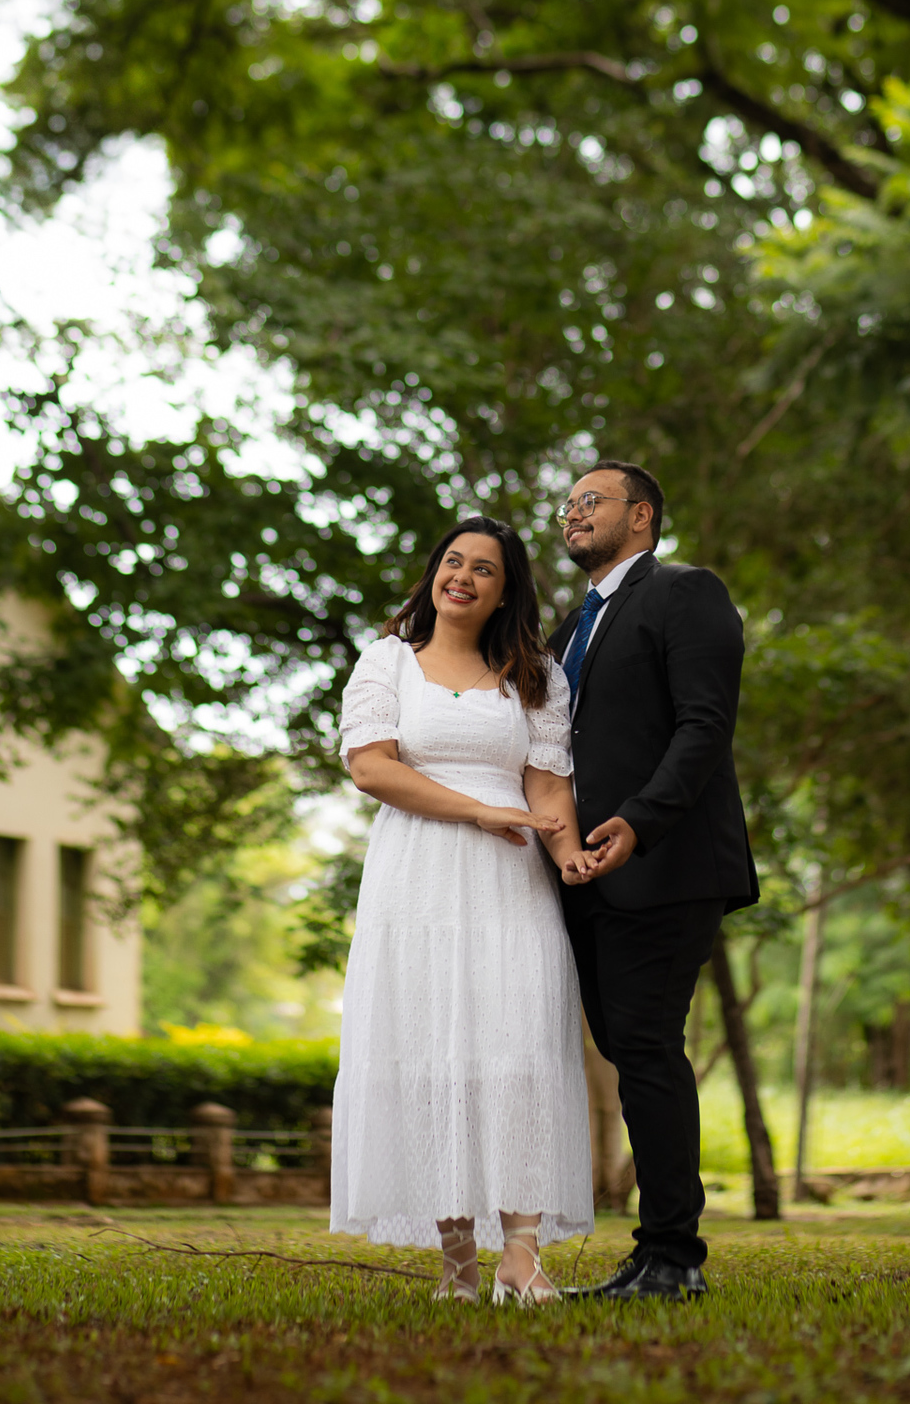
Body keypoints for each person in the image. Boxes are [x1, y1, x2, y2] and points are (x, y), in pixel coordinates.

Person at [331, 515, 598, 1304]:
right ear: (434, 573)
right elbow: (372, 769)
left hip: (511, 881)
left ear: (505, 589)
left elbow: (547, 788)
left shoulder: (537, 675)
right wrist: (476, 812)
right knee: (429, 1052)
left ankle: (521, 1251)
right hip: (416, 874)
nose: (465, 577)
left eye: (485, 569)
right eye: (454, 561)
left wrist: (570, 854)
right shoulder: (388, 663)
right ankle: (457, 1259)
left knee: (516, 1051)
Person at [549, 460, 759, 1301]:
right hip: (589, 875)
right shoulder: (572, 625)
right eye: (566, 505)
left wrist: (641, 820)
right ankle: (654, 1254)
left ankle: (674, 1257)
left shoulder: (686, 592)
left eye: (589, 502)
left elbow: (705, 726)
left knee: (646, 1045)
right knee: (632, 1050)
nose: (573, 514)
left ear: (640, 517)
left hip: (669, 865)